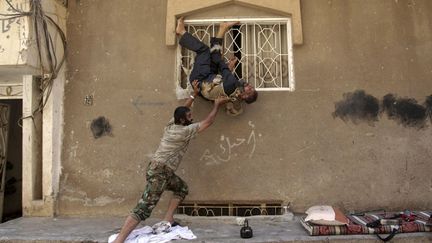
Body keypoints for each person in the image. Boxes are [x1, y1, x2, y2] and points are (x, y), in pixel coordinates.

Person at [112, 82, 229, 243]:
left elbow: (184, 109)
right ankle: (120, 239)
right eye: (189, 117)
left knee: (181, 188)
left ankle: (168, 220)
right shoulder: (184, 131)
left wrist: (193, 95)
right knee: (143, 208)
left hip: (161, 170)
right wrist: (216, 105)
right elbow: (208, 122)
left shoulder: (172, 124)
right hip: (160, 172)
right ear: (182, 120)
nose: (192, 118)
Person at [176, 17, 258, 116]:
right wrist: (228, 67)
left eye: (250, 90)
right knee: (215, 55)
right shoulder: (233, 94)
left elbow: (221, 65)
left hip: (200, 78)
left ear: (244, 96)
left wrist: (227, 67)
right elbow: (219, 85)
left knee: (205, 51)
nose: (249, 86)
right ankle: (222, 28)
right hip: (209, 76)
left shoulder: (232, 85)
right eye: (252, 87)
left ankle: (181, 32)